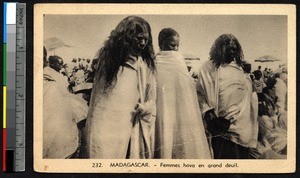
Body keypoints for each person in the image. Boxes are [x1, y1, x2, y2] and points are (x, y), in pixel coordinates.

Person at [85, 16, 156, 159]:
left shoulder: (143, 65)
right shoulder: (109, 61)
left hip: (128, 126)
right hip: (103, 125)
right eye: (138, 38)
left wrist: (145, 108)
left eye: (145, 39)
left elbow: (151, 98)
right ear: (126, 37)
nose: (142, 43)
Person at [196, 34, 258, 159]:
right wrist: (208, 113)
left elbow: (248, 96)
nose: (232, 52)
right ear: (219, 49)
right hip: (220, 126)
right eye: (229, 48)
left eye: (235, 49)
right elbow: (199, 94)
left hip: (242, 127)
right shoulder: (208, 68)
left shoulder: (239, 69)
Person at [154, 28, 211, 159]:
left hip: (176, 108)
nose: (175, 49)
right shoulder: (157, 61)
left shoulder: (176, 60)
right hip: (163, 108)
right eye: (172, 45)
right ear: (161, 44)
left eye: (177, 46)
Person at [43, 54, 88, 158]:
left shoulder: (57, 73)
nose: (61, 66)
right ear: (52, 63)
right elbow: (64, 89)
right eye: (59, 64)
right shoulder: (51, 74)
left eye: (62, 64)